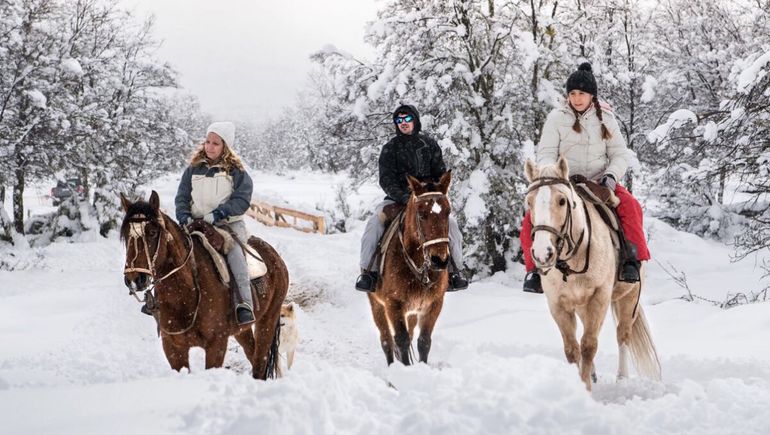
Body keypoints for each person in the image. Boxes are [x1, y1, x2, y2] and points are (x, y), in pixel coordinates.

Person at [521, 63, 650, 294]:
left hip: (599, 182)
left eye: (582, 94)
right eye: (572, 94)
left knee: (630, 206)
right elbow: (546, 152)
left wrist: (611, 176)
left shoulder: (606, 120)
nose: (577, 98)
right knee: (531, 217)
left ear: (592, 95)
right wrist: (553, 175)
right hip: (564, 183)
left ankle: (631, 261)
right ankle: (533, 270)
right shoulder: (556, 119)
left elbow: (619, 154)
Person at [355, 104, 468, 292]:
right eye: (399, 120)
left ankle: (456, 271)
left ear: (415, 120)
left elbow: (440, 173)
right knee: (374, 224)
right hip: (396, 201)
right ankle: (368, 273)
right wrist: (406, 196)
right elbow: (386, 180)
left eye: (407, 119)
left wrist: (429, 194)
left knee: (452, 226)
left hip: (427, 201)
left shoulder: (429, 145)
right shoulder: (389, 149)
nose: (403, 123)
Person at [174, 121, 257, 324]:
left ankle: (244, 303)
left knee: (236, 255)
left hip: (226, 225)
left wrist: (220, 213)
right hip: (194, 223)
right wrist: (184, 215)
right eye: (207, 142)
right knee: (169, 249)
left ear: (225, 147)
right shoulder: (193, 169)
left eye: (215, 143)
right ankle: (159, 299)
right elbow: (182, 196)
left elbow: (242, 199)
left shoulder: (236, 171)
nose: (209, 147)